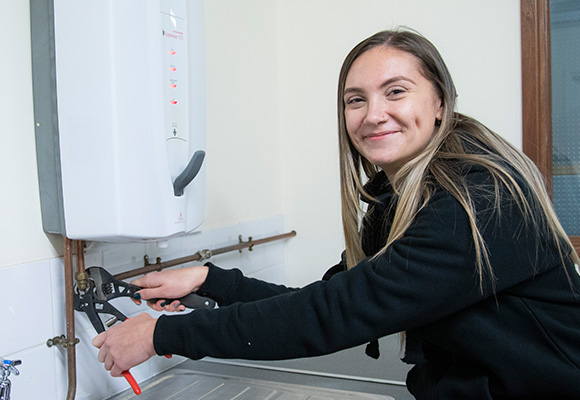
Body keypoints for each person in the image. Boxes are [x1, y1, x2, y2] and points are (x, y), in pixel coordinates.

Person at [93, 28, 580, 399]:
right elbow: (333, 299)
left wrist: (163, 334)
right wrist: (209, 279)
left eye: (395, 91)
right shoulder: (397, 203)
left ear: (439, 102)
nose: (372, 114)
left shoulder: (481, 200)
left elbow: (334, 315)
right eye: (355, 100)